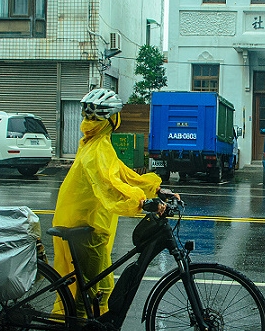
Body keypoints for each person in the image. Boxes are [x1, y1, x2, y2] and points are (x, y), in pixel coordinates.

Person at [51, 88, 177, 317]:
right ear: (113, 119)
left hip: (85, 220)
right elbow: (109, 186)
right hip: (85, 225)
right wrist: (143, 202)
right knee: (90, 291)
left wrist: (155, 188)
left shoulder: (96, 143)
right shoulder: (97, 149)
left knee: (102, 288)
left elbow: (120, 173)